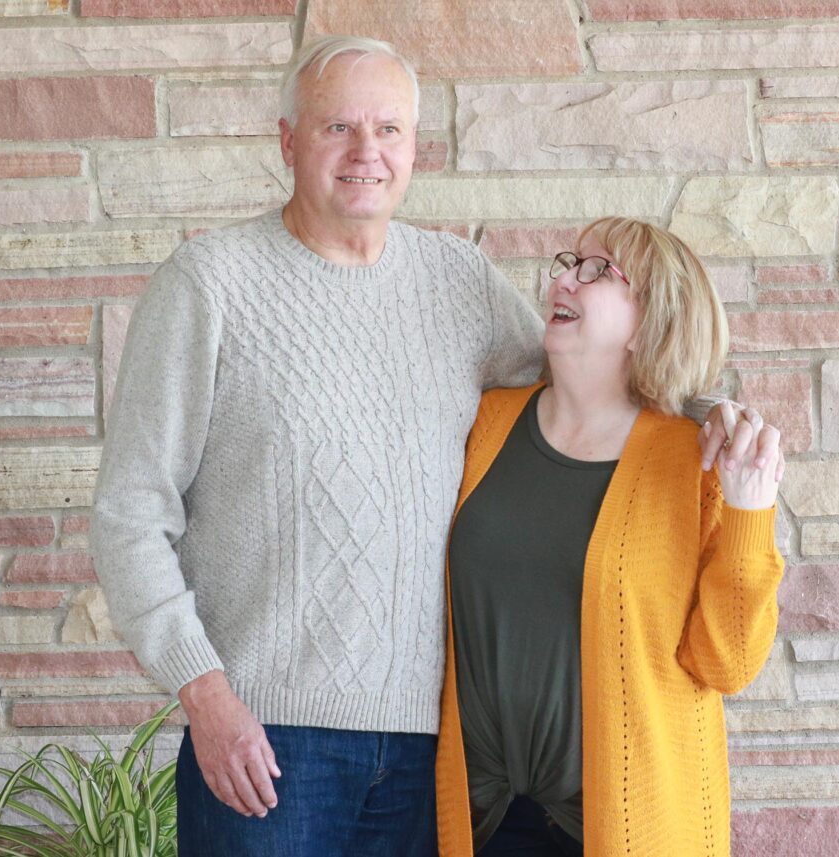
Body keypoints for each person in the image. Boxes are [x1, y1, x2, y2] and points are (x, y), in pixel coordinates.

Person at [90, 35, 781, 857]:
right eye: (337, 127)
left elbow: (595, 374)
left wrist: (711, 415)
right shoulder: (208, 284)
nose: (365, 152)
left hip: (430, 753)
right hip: (267, 736)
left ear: (416, 148)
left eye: (389, 129)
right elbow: (130, 514)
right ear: (286, 141)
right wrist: (205, 693)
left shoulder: (456, 279)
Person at [435, 218, 785, 856]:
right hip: (483, 820)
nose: (561, 278)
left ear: (653, 318)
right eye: (568, 262)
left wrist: (748, 512)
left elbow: (726, 664)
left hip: (626, 824)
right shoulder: (484, 422)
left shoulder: (698, 462)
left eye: (595, 270)